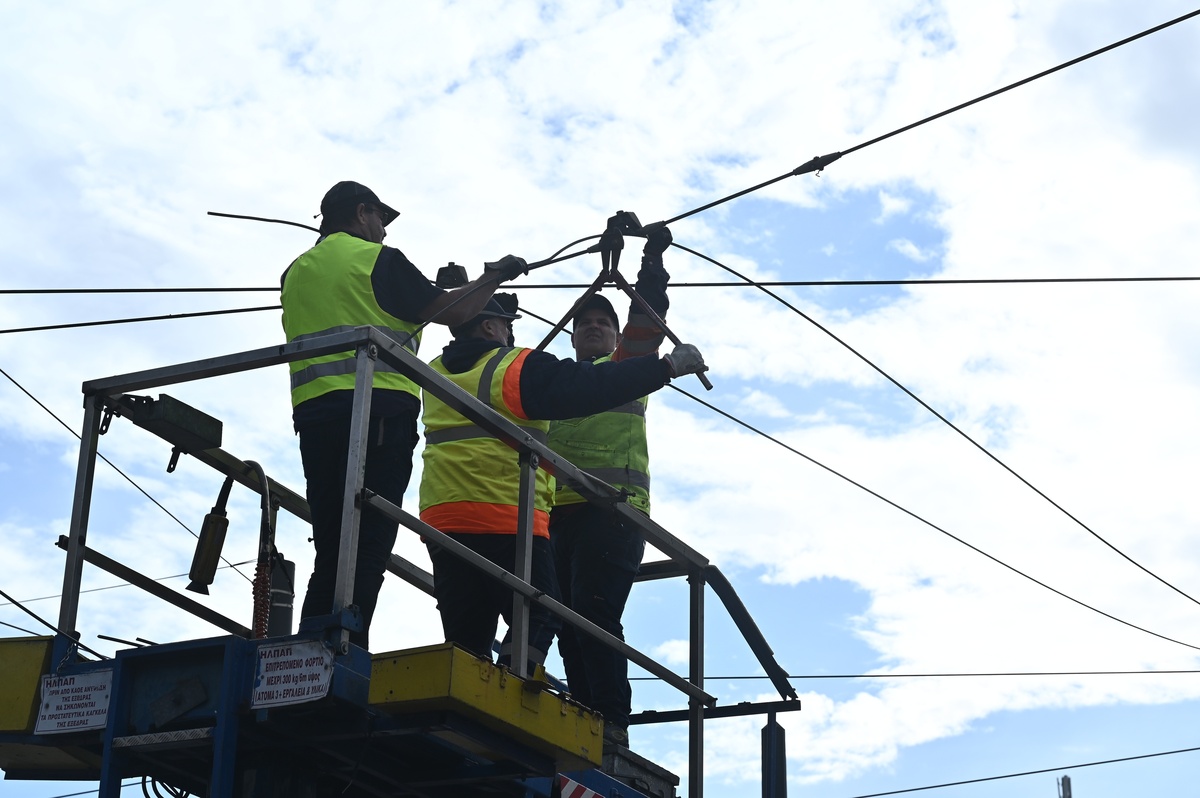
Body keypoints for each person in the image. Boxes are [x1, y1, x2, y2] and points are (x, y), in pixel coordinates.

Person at [281, 180, 526, 650]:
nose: (384, 230)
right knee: (368, 543)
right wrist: (494, 277)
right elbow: (454, 313)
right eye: (380, 219)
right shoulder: (378, 260)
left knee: (333, 542)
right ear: (361, 212)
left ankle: (308, 655)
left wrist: (439, 288)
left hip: (315, 415)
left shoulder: (296, 271)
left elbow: (373, 304)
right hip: (376, 414)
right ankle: (342, 654)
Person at [417, 290, 705, 679]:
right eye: (505, 326)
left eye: (603, 323)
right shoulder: (523, 371)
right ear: (489, 327)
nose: (510, 334)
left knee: (474, 623)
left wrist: (652, 275)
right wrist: (667, 366)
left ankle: (472, 690)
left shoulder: (438, 369)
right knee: (545, 610)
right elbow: (583, 383)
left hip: (449, 514)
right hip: (511, 513)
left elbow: (637, 336)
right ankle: (511, 679)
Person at [545, 225, 672, 747]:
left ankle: (611, 722)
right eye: (585, 323)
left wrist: (651, 262)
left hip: (613, 512)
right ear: (572, 336)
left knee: (593, 612)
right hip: (557, 515)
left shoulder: (627, 368)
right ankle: (585, 716)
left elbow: (649, 318)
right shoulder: (553, 380)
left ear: (616, 338)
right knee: (565, 620)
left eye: (603, 323)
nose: (594, 327)